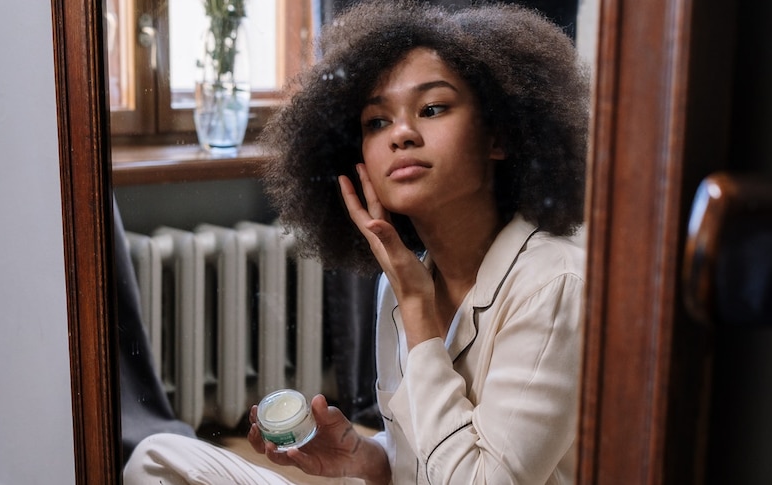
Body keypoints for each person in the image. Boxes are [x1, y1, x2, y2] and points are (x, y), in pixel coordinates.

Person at [123, 0, 589, 483]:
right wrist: (362, 457)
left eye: (432, 108)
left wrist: (418, 314)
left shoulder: (553, 286)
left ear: (500, 136)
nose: (402, 134)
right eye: (377, 122)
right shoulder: (402, 280)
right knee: (157, 457)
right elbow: (422, 453)